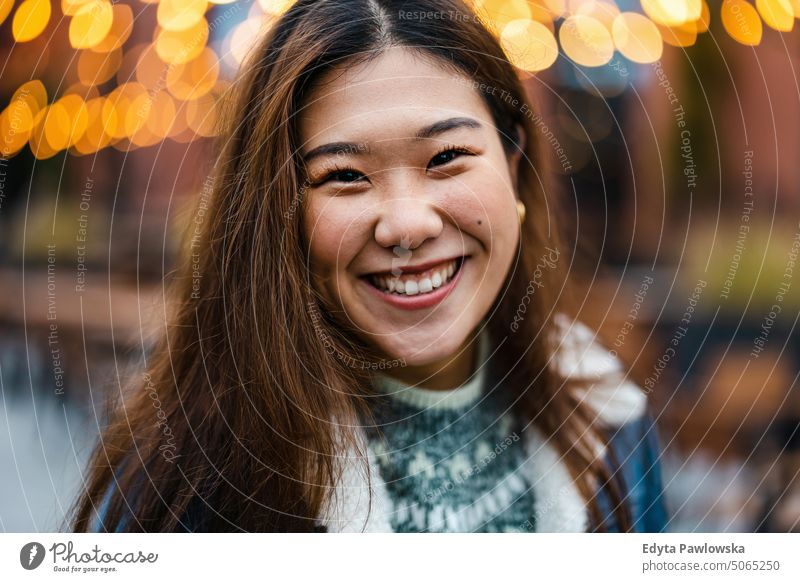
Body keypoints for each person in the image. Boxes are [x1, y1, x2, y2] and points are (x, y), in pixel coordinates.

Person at [70, 0, 668, 533]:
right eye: (345, 176)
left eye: (447, 156)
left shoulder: (606, 422)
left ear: (513, 164)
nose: (407, 225)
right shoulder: (196, 481)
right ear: (281, 211)